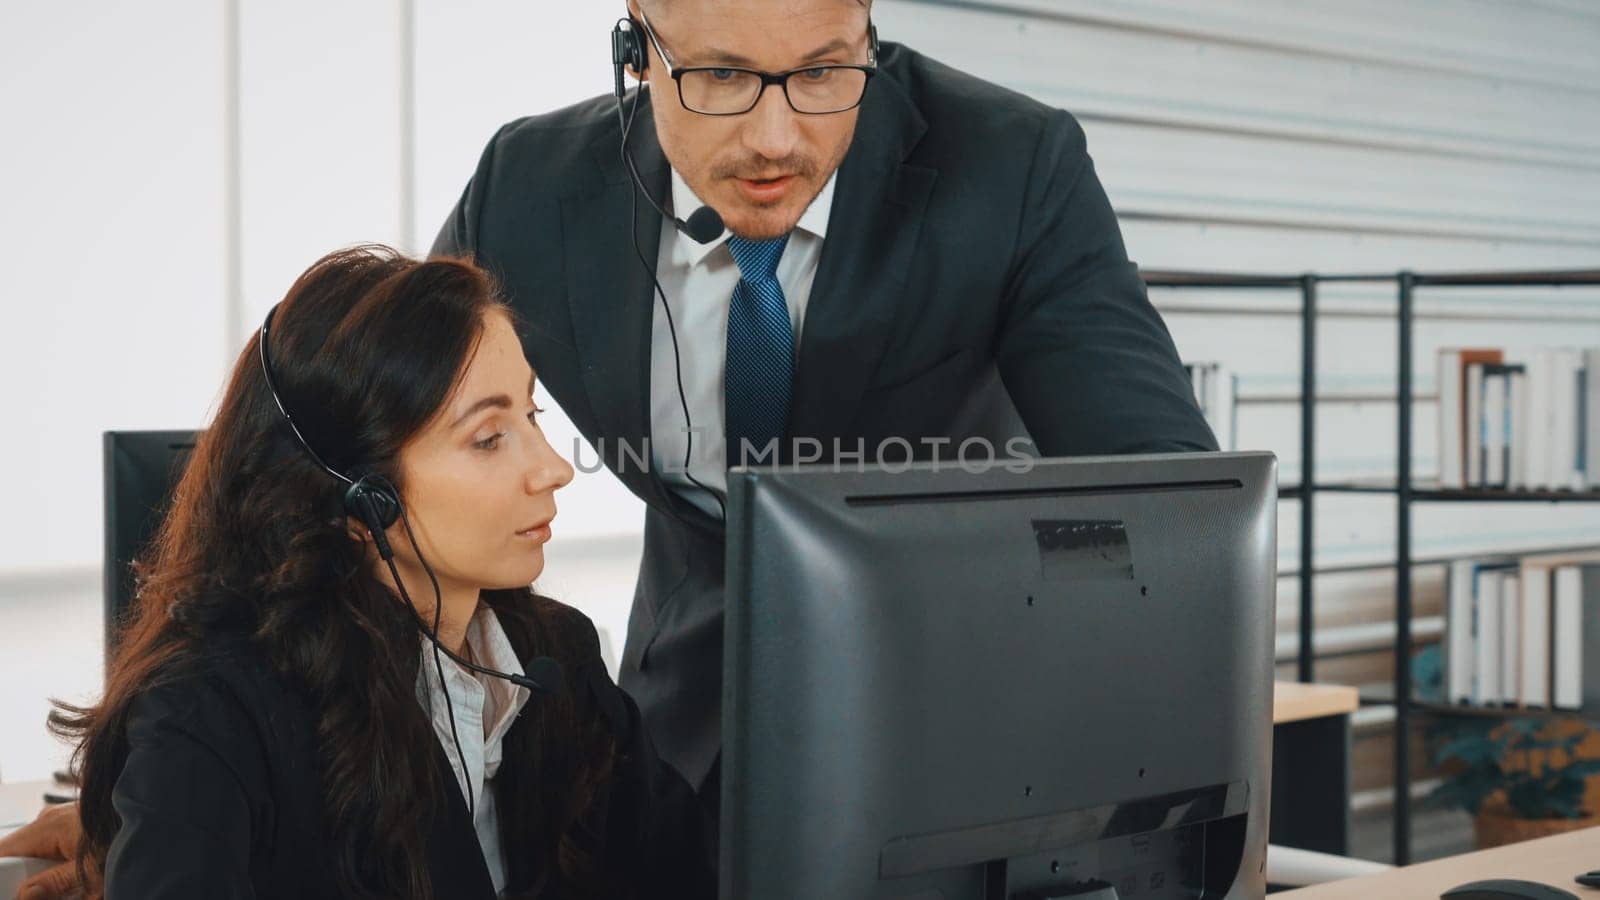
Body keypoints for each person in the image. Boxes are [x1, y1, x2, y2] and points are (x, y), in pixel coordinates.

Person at [431, 0, 1218, 834]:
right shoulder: (529, 183)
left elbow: (1172, 511)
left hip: (955, 735)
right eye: (722, 75)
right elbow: (381, 423)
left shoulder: (1012, 168)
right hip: (677, 733)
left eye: (821, 72)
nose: (777, 138)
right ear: (637, 44)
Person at [0, 246, 713, 899]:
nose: (553, 469)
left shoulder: (555, 659)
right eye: (489, 437)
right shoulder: (215, 712)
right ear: (354, 497)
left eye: (532, 413)